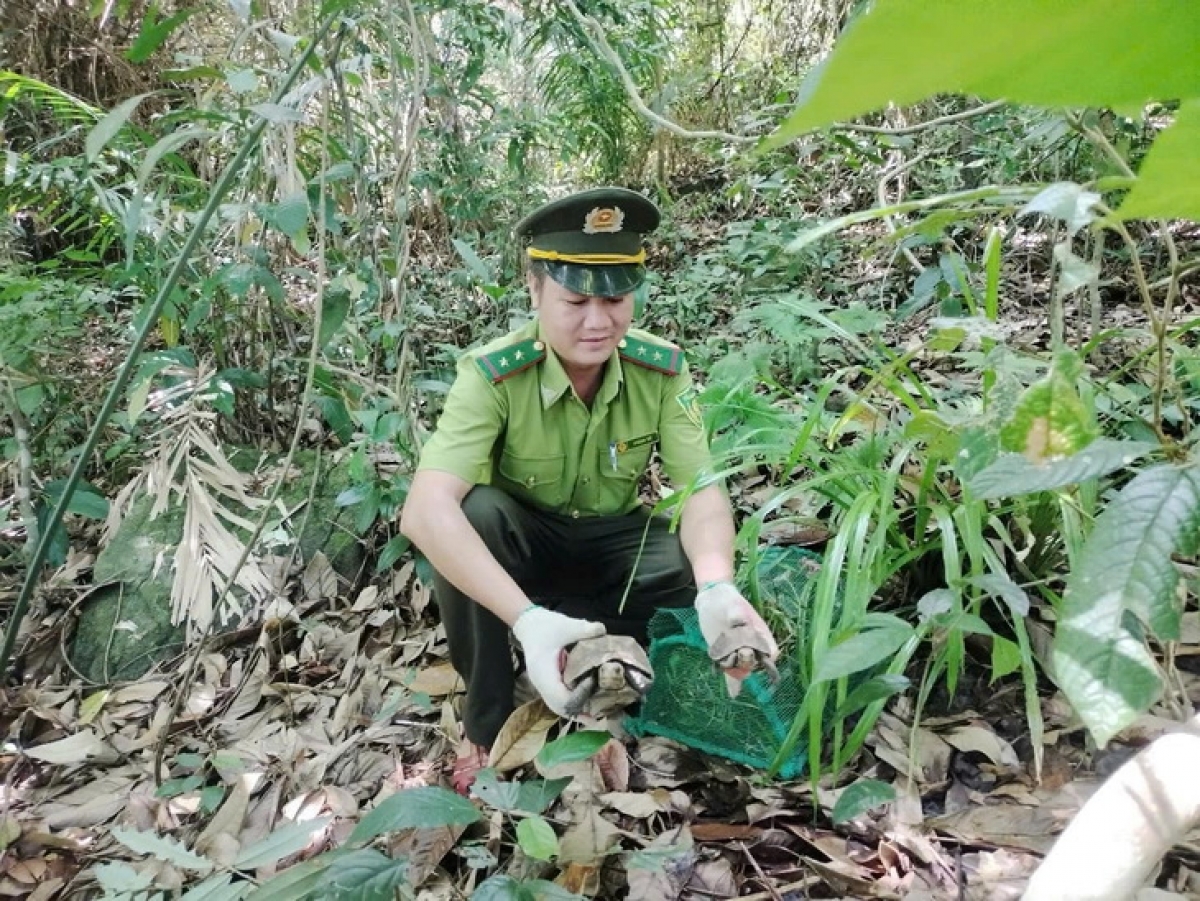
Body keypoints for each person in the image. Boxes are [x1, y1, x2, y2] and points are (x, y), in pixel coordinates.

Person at [399, 187, 778, 788]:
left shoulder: (661, 368)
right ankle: (489, 720)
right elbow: (424, 511)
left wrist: (716, 586)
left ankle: (617, 672)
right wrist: (525, 619)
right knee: (475, 514)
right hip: (525, 548)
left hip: (613, 546)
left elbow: (700, 489)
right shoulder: (494, 374)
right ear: (535, 290)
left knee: (686, 555)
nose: (598, 322)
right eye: (575, 300)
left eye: (617, 299)